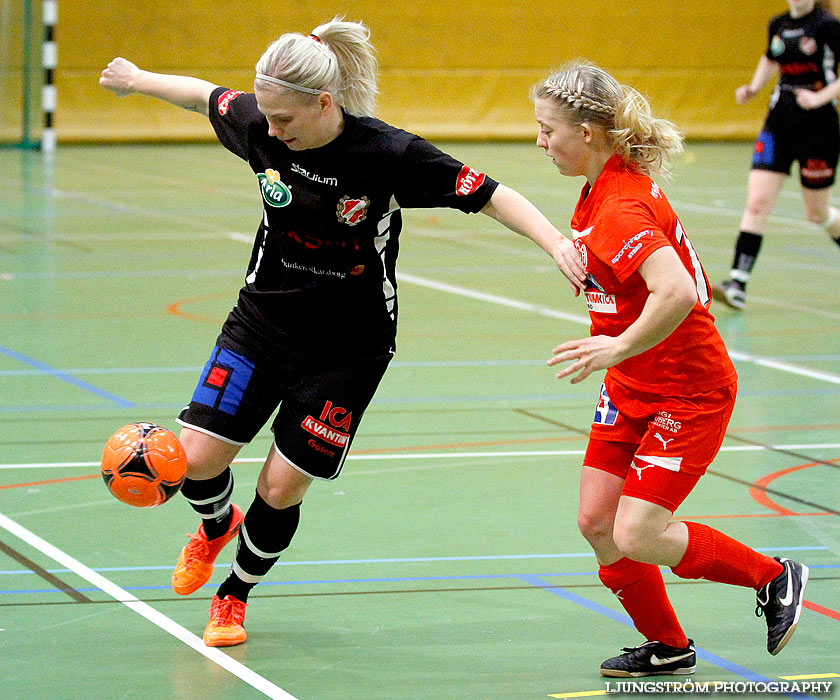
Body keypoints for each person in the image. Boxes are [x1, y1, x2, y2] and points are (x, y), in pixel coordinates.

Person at [99, 18, 586, 647]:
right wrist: (137, 80)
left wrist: (554, 243)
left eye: (284, 121)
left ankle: (233, 595)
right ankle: (216, 527)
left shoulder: (387, 154)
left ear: (324, 103)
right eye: (265, 118)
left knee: (281, 484)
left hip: (348, 349)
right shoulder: (260, 125)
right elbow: (202, 95)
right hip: (261, 325)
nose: (269, 131)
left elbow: (490, 194)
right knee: (195, 461)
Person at [534, 62, 809, 677]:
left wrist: (614, 345)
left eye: (548, 129)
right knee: (596, 522)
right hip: (632, 385)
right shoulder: (601, 188)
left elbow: (679, 291)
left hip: (688, 393)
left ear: (590, 132)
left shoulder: (621, 205)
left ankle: (774, 577)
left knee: (636, 532)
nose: (541, 141)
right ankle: (668, 644)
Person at [713, 0, 840, 310]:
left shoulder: (827, 25)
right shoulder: (778, 24)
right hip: (779, 125)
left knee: (817, 213)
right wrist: (754, 88)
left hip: (819, 130)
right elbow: (771, 57)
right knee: (757, 202)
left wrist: (820, 97)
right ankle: (737, 283)